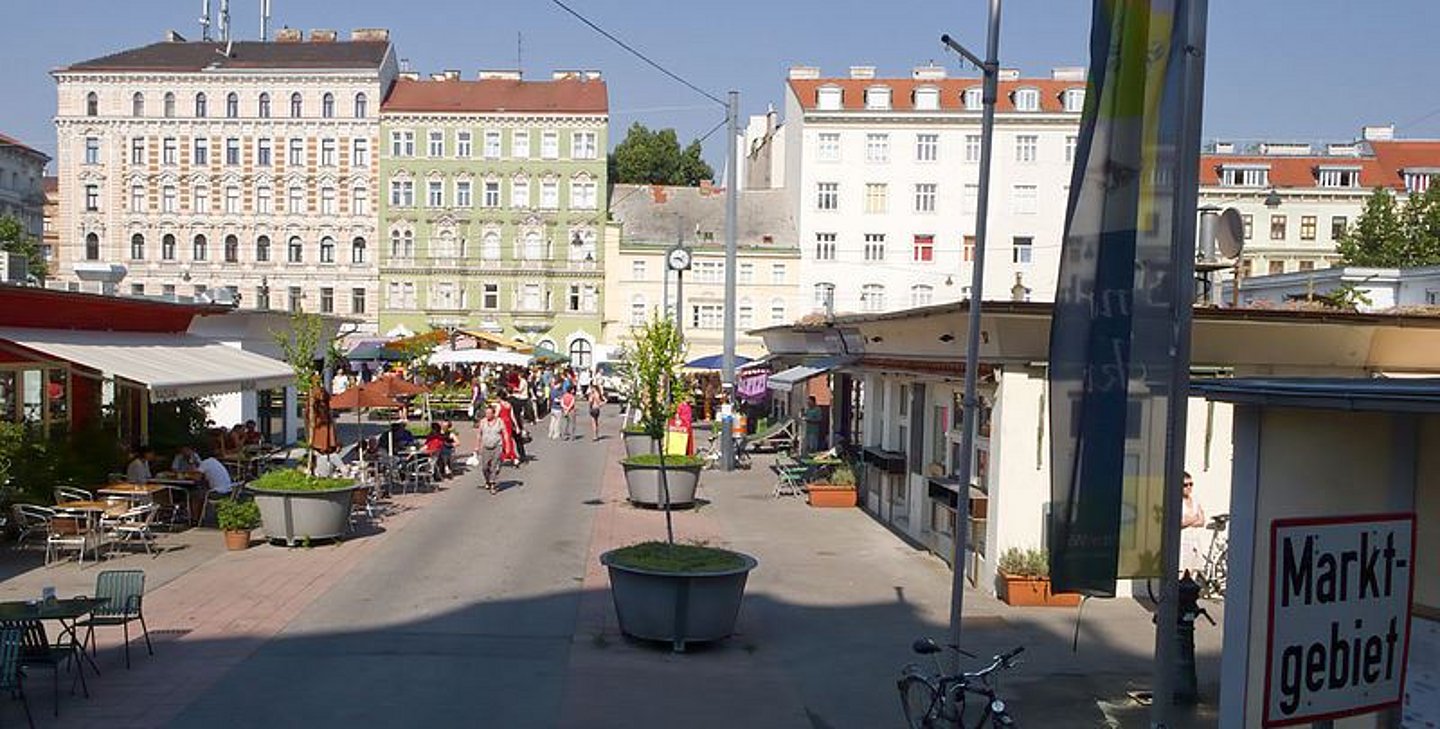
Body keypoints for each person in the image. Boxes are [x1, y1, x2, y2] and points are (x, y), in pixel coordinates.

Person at [1180, 472, 1207, 576]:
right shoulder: (1179, 501)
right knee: (1183, 571)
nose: (1189, 487)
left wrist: (1189, 519)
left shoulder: (1195, 500)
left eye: (1191, 484)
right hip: (1184, 541)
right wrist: (1194, 518)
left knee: (1193, 570)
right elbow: (1180, 522)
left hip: (1195, 541)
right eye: (1185, 485)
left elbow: (1202, 521)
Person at [474, 404, 505, 493]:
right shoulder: (483, 422)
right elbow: (479, 434)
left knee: (494, 466)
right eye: (486, 413)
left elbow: (504, 433)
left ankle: (493, 484)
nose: (487, 415)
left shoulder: (499, 421)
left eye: (489, 413)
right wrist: (477, 446)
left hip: (497, 446)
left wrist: (506, 445)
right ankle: (487, 480)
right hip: (486, 447)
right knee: (484, 467)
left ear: (493, 414)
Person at [497, 398, 521, 465]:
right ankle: (513, 456)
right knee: (509, 440)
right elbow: (512, 416)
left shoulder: (499, 405)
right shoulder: (509, 405)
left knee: (503, 440)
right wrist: (516, 426)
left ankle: (505, 455)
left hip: (502, 424)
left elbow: (496, 415)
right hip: (508, 423)